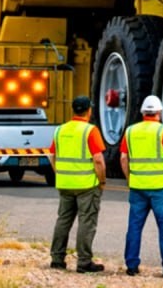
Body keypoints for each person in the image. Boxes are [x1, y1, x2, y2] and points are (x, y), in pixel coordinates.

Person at [120, 95, 163, 278]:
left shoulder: (130, 131)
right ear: (159, 112)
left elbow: (123, 158)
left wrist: (130, 178)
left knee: (134, 227)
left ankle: (131, 266)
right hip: (161, 187)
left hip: (137, 187)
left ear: (142, 112)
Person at [49, 95, 107, 273]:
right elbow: (98, 160)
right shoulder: (90, 131)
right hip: (86, 185)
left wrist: (60, 173)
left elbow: (52, 155)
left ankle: (57, 259)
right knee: (86, 222)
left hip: (65, 184)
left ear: (73, 110)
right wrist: (102, 181)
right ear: (89, 111)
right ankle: (84, 262)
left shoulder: (60, 130)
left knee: (63, 220)